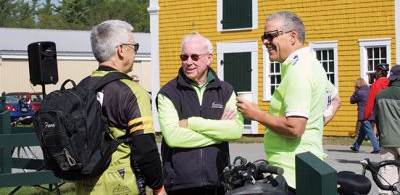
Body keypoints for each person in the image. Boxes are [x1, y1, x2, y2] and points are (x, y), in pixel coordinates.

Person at [236, 11, 327, 191]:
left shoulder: (298, 71)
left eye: (270, 36)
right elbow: (335, 99)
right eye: (264, 36)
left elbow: (295, 128)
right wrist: (315, 125)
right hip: (305, 165)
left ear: (292, 37)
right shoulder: (310, 63)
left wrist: (256, 114)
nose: (264, 41)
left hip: (293, 173)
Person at [76, 20, 165, 195]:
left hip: (85, 185)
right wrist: (158, 187)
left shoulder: (81, 88)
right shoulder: (132, 92)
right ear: (121, 50)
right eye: (135, 46)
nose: (136, 52)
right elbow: (145, 148)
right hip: (121, 184)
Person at [156, 32, 244, 195]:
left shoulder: (226, 91)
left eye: (195, 57)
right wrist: (219, 133)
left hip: (218, 182)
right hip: (180, 185)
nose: (188, 62)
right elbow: (173, 137)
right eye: (184, 57)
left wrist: (192, 123)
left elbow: (236, 131)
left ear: (209, 58)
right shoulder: (167, 93)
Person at [375, 65, 400, 195]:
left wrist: (380, 134)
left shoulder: (380, 95)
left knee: (387, 172)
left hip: (387, 139)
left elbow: (378, 119)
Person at [349, 77, 380, 153]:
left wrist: (355, 92)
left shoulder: (359, 92)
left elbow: (351, 100)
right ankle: (356, 146)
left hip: (363, 115)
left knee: (369, 132)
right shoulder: (370, 90)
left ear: (358, 84)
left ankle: (377, 148)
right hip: (371, 113)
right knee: (362, 132)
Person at [363, 63, 390, 135]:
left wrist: (366, 116)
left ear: (379, 72)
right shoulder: (390, 83)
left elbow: (371, 101)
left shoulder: (376, 84)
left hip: (380, 113)